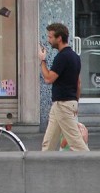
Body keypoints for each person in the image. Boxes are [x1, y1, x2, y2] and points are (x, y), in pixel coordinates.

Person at [38, 22, 89, 152]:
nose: (49, 40)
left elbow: (49, 78)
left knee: (76, 143)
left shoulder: (62, 57)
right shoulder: (75, 57)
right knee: (48, 142)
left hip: (63, 104)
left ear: (59, 38)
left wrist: (42, 60)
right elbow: (78, 83)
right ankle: (42, 167)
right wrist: (75, 103)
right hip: (64, 103)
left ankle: (92, 166)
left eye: (50, 37)